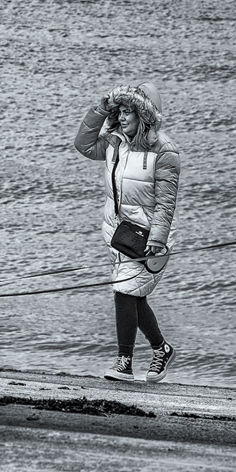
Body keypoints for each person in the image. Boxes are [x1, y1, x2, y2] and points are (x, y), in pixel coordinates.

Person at [74, 82, 181, 383]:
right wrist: (101, 107)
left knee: (123, 290)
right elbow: (83, 144)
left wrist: (158, 240)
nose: (122, 117)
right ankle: (161, 349)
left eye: (128, 112)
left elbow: (166, 202)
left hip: (150, 237)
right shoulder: (114, 143)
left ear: (144, 115)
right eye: (118, 112)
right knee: (132, 295)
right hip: (119, 234)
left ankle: (125, 362)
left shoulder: (165, 150)